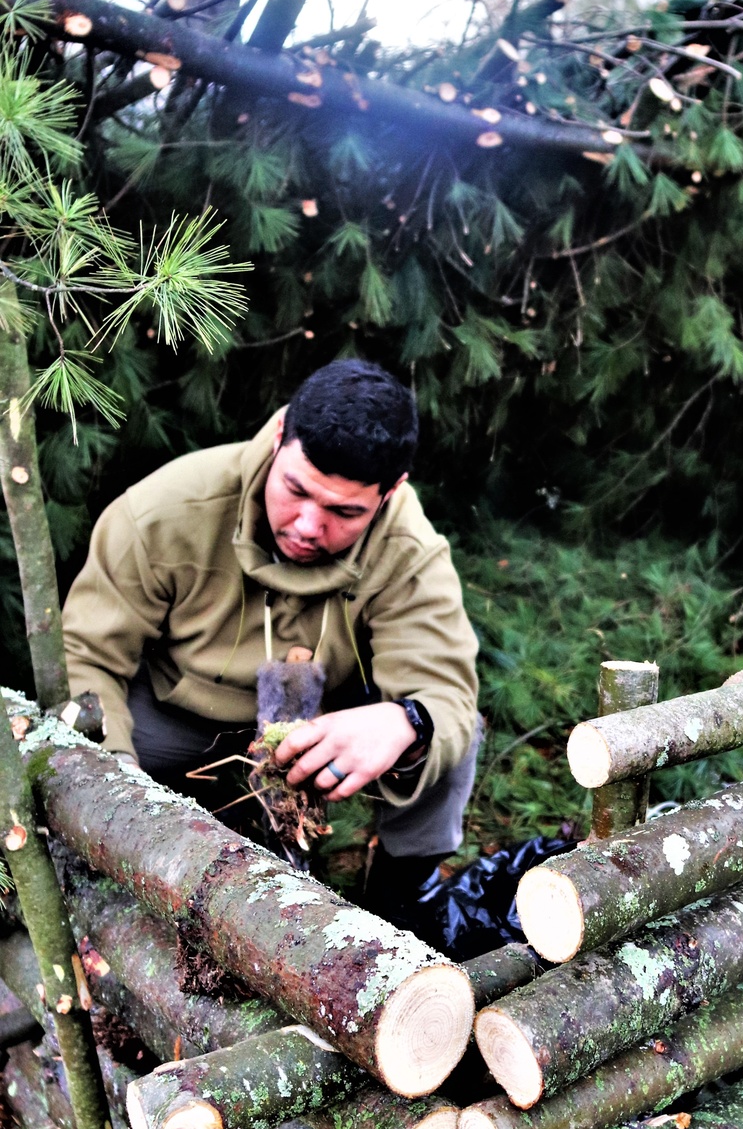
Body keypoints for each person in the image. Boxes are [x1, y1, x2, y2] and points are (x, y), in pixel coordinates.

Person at [61, 358, 480, 922]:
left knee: (449, 736)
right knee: (95, 744)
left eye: (343, 511)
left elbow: (446, 693)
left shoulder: (409, 547)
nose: (308, 525)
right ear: (279, 437)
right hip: (184, 714)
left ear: (390, 491)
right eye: (295, 490)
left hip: (324, 726)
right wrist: (116, 790)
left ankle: (402, 901)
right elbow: (87, 659)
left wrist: (407, 722)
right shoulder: (165, 511)